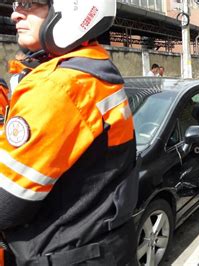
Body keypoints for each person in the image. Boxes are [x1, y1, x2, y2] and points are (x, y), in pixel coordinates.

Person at [0, 0, 139, 265]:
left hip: (69, 254)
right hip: (104, 247)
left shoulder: (59, 87)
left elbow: (5, 206)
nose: (15, 13)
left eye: (29, 3)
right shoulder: (93, 70)